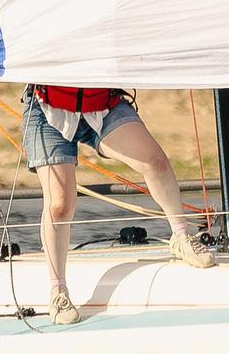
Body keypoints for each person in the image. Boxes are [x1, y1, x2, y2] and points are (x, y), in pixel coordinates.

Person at [23, 85, 213, 324]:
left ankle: (181, 235)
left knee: (156, 163)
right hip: (47, 108)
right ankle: (57, 290)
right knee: (59, 204)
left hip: (104, 104)